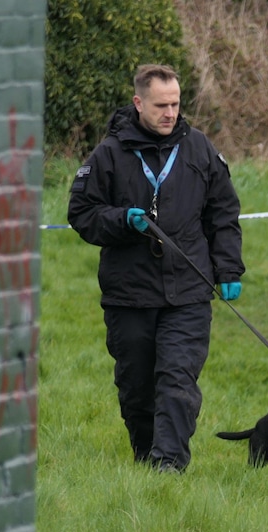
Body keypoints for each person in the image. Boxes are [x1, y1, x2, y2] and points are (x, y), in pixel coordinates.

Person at [67, 64, 245, 473]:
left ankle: (169, 466)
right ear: (138, 103)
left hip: (189, 292)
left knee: (177, 381)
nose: (170, 113)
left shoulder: (199, 149)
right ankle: (146, 458)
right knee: (137, 390)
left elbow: (224, 213)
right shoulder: (109, 154)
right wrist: (120, 221)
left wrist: (229, 269)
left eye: (176, 104)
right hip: (129, 295)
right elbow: (81, 213)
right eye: (161, 105)